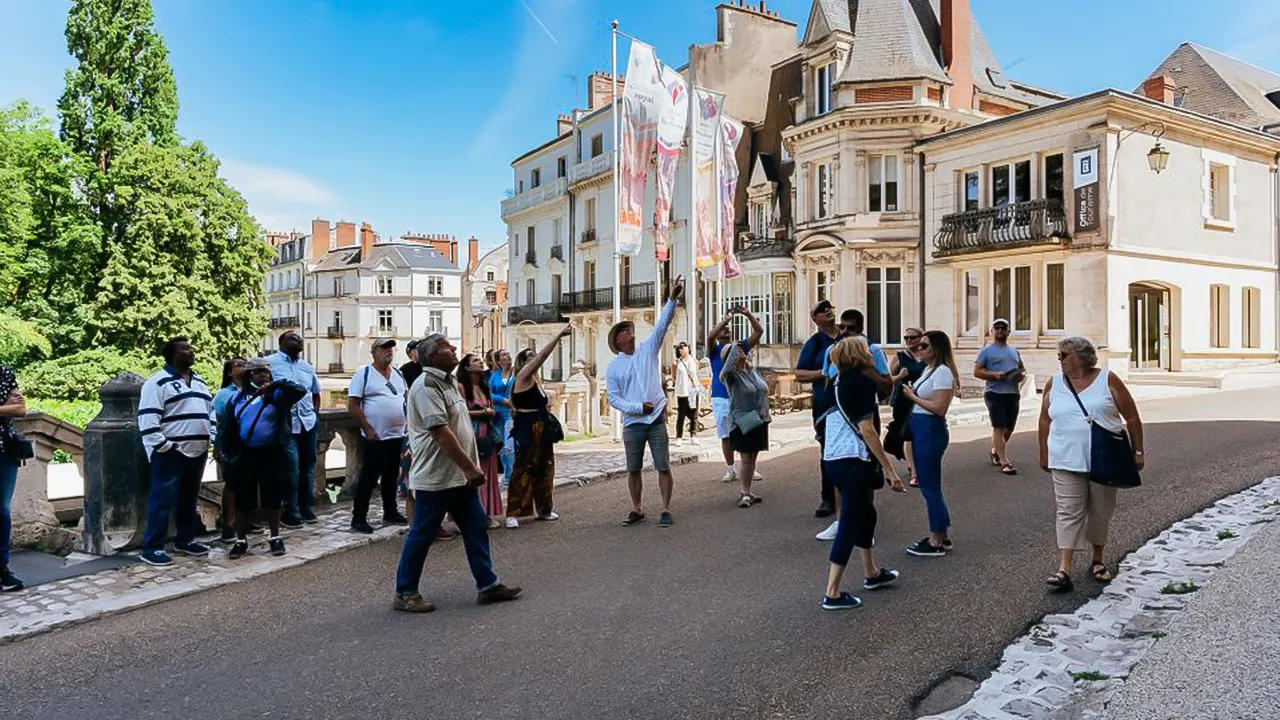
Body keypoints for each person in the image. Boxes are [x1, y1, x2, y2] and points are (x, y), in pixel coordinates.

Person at [393, 333, 522, 613]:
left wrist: (467, 469)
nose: (453, 350)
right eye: (445, 348)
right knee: (422, 534)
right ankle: (405, 592)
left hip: (458, 476)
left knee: (476, 527)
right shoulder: (427, 386)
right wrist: (469, 467)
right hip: (438, 477)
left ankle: (487, 584)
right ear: (431, 357)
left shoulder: (449, 382)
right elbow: (440, 432)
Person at [1039, 337, 1145, 592]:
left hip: (1104, 459)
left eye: (1065, 355)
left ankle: (1097, 559)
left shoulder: (1108, 380)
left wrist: (1138, 451)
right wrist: (1044, 452)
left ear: (1082, 356)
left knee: (1100, 512)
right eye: (1059, 355)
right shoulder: (1054, 383)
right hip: (1065, 458)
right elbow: (1044, 419)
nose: (1060, 359)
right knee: (1068, 510)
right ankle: (1064, 568)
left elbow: (1131, 417)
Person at [820, 337, 906, 610]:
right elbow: (867, 430)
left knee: (867, 513)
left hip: (834, 458)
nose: (872, 352)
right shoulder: (860, 382)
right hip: (852, 459)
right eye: (867, 349)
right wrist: (890, 469)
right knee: (850, 520)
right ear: (858, 355)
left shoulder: (835, 382)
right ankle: (832, 592)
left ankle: (872, 572)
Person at [607, 275, 685, 528]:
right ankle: (637, 508)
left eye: (629, 329)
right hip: (633, 422)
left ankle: (665, 508)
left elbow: (662, 325)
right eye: (624, 330)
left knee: (663, 464)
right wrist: (638, 407)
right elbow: (614, 398)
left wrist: (672, 298)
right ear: (618, 340)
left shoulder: (648, 349)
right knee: (633, 468)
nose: (630, 331)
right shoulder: (614, 367)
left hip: (656, 418)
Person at [136, 337, 217, 567]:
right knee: (162, 499)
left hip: (198, 450)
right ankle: (152, 547)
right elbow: (148, 417)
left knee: (189, 498)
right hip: (171, 452)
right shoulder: (157, 383)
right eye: (185, 349)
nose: (192, 351)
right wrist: (164, 445)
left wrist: (211, 435)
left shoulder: (200, 382)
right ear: (172, 354)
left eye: (192, 348)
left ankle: (185, 539)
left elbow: (210, 413)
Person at [814, 309, 892, 541]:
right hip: (836, 415)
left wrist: (865, 370)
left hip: (865, 410)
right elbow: (828, 380)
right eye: (842, 327)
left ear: (861, 329)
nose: (845, 332)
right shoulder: (832, 350)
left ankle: (864, 520)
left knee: (865, 465)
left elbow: (887, 385)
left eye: (851, 328)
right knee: (837, 465)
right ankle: (842, 520)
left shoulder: (873, 351)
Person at [226, 359, 308, 559]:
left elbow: (300, 390)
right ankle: (241, 540)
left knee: (273, 496)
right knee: (244, 499)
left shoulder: (277, 395)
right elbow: (228, 425)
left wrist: (276, 384)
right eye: (257, 372)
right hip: (245, 453)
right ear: (249, 375)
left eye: (265, 372)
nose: (262, 375)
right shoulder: (237, 398)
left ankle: (275, 537)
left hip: (271, 452)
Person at [901, 330, 960, 557]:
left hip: (930, 429)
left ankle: (936, 540)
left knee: (929, 486)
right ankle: (942, 535)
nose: (918, 348)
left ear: (936, 348)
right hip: (921, 427)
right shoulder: (929, 369)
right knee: (930, 484)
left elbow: (939, 408)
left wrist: (912, 397)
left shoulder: (943, 372)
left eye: (924, 345)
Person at [506, 325, 572, 528]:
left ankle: (544, 508)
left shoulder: (535, 380)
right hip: (528, 428)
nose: (533, 358)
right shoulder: (523, 377)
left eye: (532, 356)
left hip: (541, 428)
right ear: (523, 362)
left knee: (546, 467)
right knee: (523, 467)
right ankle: (513, 512)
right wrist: (558, 336)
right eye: (529, 357)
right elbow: (543, 356)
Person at [347, 339, 410, 534]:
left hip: (397, 434)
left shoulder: (398, 374)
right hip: (376, 436)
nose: (388, 352)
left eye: (390, 348)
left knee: (392, 475)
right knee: (369, 477)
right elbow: (353, 404)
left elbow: (405, 399)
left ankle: (390, 510)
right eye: (383, 348)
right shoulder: (363, 374)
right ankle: (358, 518)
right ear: (373, 352)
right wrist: (367, 428)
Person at [267, 331, 323, 529]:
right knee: (291, 467)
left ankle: (306, 506)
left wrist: (315, 414)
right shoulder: (270, 363)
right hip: (286, 422)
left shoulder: (306, 367)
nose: (298, 340)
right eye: (293, 338)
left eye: (299, 338)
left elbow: (315, 393)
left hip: (308, 421)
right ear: (281, 342)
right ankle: (290, 510)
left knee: (308, 465)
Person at [718, 309, 769, 508]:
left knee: (753, 457)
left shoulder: (752, 371)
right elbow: (728, 366)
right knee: (746, 458)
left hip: (760, 418)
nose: (741, 351)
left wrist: (748, 315)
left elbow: (761, 392)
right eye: (736, 351)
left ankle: (747, 490)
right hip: (743, 420)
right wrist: (733, 350)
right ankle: (744, 493)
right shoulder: (730, 377)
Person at [706, 310, 765, 484]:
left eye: (727, 330)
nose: (725, 331)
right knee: (725, 434)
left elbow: (758, 332)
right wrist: (724, 321)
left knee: (746, 429)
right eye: (722, 330)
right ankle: (730, 468)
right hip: (721, 396)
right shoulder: (715, 350)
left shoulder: (738, 348)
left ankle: (748, 466)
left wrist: (748, 315)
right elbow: (710, 337)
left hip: (740, 396)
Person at [795, 299, 841, 518]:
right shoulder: (814, 342)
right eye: (821, 311)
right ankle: (828, 498)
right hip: (825, 404)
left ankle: (856, 496)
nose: (827, 312)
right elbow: (800, 374)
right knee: (828, 451)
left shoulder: (847, 336)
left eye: (828, 308)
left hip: (850, 401)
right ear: (815, 319)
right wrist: (826, 372)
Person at [457, 353, 505, 528]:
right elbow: (460, 412)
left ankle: (486, 512)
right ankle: (473, 514)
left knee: (488, 474)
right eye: (476, 361)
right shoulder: (461, 387)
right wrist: (484, 413)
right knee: (475, 473)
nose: (481, 363)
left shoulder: (484, 386)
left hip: (487, 434)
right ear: (467, 367)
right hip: (472, 433)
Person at [975, 319, 1026, 475]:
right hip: (994, 393)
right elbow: (977, 372)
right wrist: (994, 375)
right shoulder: (986, 351)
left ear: (1008, 331)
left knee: (1009, 428)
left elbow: (1022, 370)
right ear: (992, 331)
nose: (1000, 331)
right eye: (997, 328)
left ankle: (995, 451)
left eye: (1003, 328)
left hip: (1012, 393)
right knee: (998, 426)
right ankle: (1005, 462)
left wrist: (1018, 376)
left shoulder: (1014, 351)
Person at [212, 358, 250, 544]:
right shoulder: (223, 394)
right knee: (231, 484)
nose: (244, 367)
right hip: (230, 444)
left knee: (248, 483)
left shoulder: (253, 391)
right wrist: (218, 446)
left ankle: (246, 520)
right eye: (238, 365)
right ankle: (228, 524)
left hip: (249, 443)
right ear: (229, 372)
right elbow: (218, 422)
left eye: (245, 364)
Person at [0, 366, 28, 591]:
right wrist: (4, 408)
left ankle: (2, 568)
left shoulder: (5, 373)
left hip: (4, 451)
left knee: (2, 510)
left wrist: (11, 407)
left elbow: (20, 410)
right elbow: (11, 408)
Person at [889, 328, 926, 487]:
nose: (909, 341)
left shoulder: (928, 355)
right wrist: (900, 376)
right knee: (908, 434)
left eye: (913, 338)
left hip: (923, 400)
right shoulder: (900, 357)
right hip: (903, 401)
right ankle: (913, 469)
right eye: (906, 338)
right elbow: (888, 379)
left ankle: (919, 465)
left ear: (921, 338)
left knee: (922, 433)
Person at [489, 349, 517, 486]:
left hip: (511, 414)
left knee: (509, 446)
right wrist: (502, 400)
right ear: (499, 361)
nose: (508, 356)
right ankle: (508, 475)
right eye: (504, 355)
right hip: (497, 414)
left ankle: (509, 477)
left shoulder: (516, 374)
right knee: (502, 447)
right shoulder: (495, 375)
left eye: (509, 354)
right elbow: (488, 393)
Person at [671, 342, 702, 447]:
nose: (682, 349)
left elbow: (695, 375)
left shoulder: (694, 361)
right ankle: (678, 437)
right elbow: (674, 377)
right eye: (680, 348)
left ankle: (693, 435)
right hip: (682, 391)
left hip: (693, 391)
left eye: (684, 346)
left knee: (694, 415)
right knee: (681, 415)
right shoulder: (676, 363)